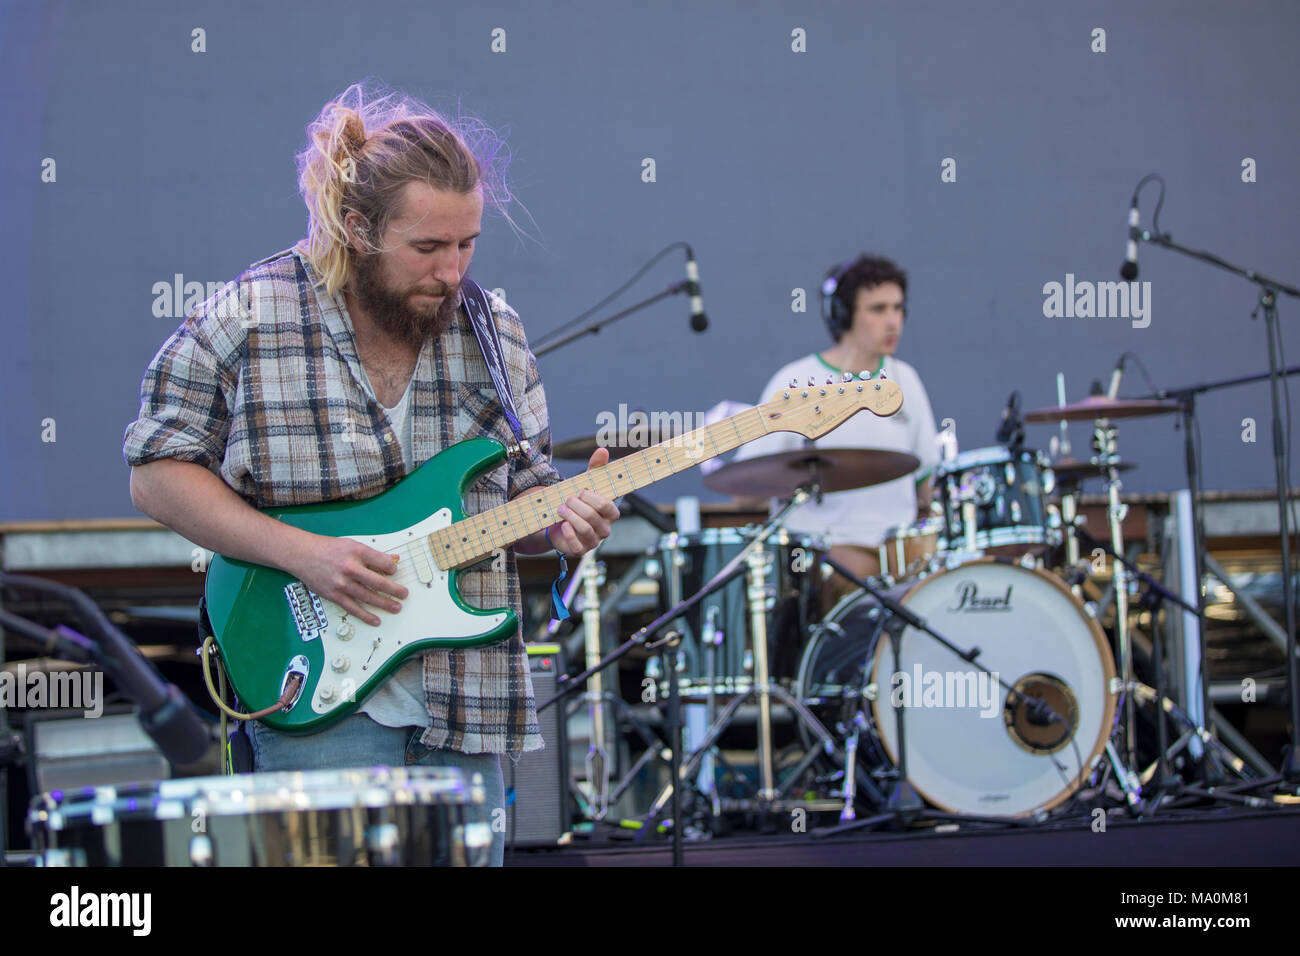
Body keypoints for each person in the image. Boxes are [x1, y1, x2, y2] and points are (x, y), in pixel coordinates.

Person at [122, 82, 619, 866]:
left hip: (468, 703)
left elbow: (520, 504)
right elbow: (155, 472)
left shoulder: (498, 334)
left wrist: (561, 528)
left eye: (468, 245)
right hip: (312, 697)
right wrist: (302, 553)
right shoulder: (251, 316)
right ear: (357, 227)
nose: (452, 272)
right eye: (427, 248)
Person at [734, 254, 940, 602]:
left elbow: (928, 486)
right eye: (878, 309)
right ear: (842, 315)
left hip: (901, 553)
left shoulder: (907, 380)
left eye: (898, 308)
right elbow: (744, 492)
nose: (893, 321)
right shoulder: (795, 381)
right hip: (826, 556)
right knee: (854, 580)